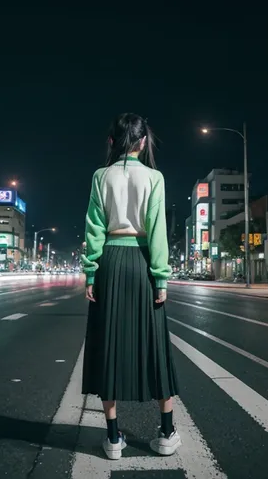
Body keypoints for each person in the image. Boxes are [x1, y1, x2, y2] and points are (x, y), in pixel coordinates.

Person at [81, 113, 180, 460]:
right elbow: (157, 230)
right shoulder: (154, 177)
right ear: (142, 142)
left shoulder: (100, 176)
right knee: (154, 348)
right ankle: (166, 432)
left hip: (109, 262)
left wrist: (91, 273)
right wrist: (161, 277)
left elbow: (94, 228)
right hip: (141, 264)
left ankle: (112, 438)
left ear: (113, 142)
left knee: (107, 347)